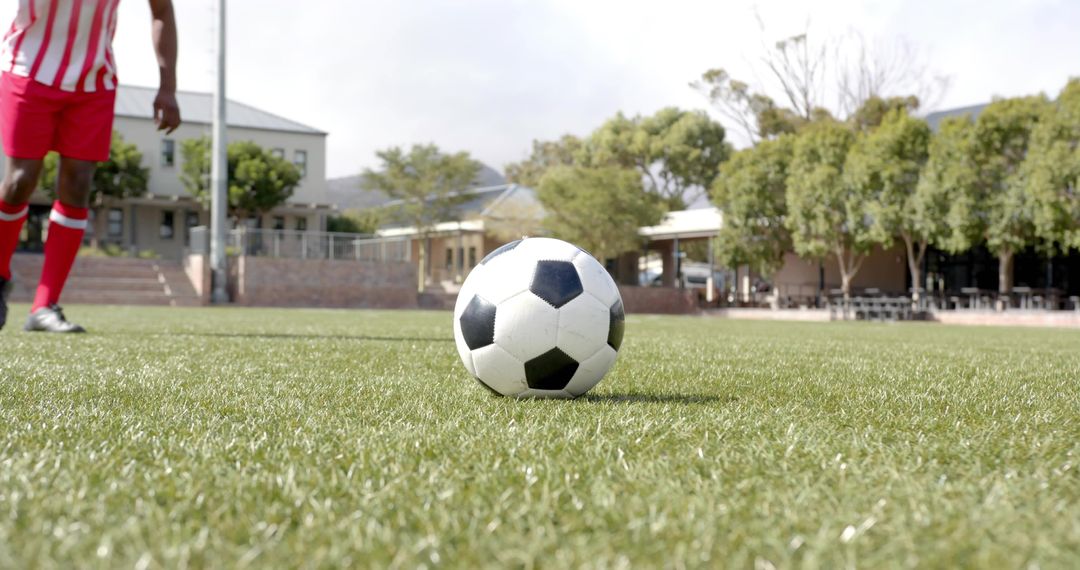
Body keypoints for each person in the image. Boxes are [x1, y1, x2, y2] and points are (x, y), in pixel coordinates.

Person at [0, 0, 180, 333]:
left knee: (78, 183)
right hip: (27, 68)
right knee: (20, 180)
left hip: (93, 80)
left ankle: (44, 305)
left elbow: (161, 10)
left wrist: (167, 87)